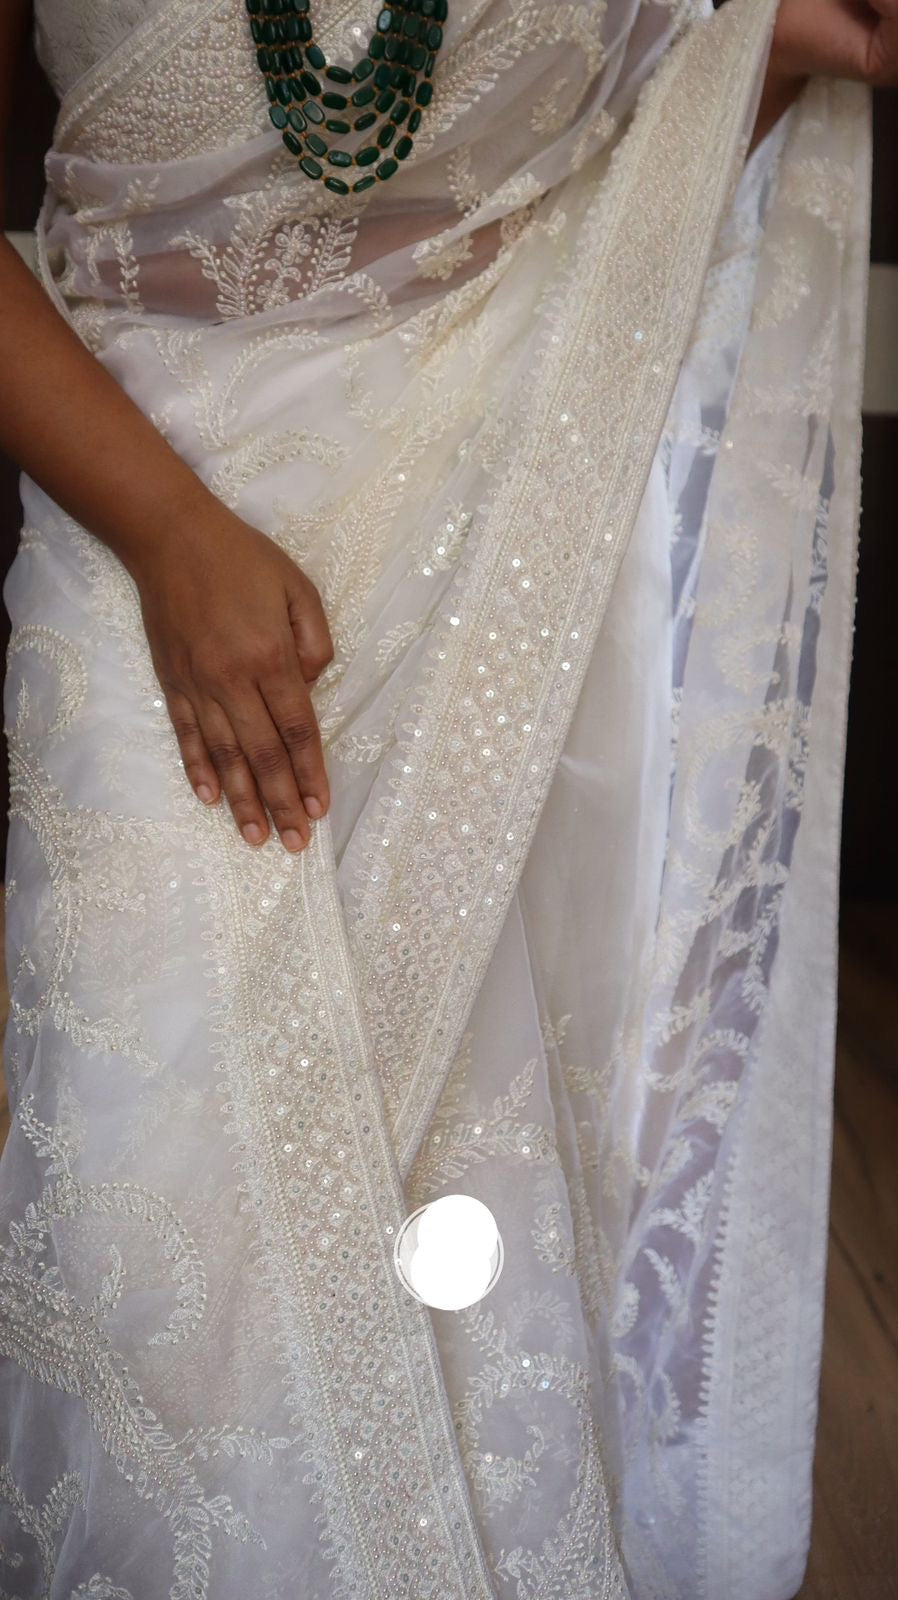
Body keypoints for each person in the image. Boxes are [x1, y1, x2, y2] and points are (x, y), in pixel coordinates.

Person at [0, 0, 892, 1595]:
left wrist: (756, 52)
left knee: (487, 1204)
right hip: (139, 484)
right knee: (160, 1228)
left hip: (505, 521)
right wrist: (166, 536)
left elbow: (593, 177)